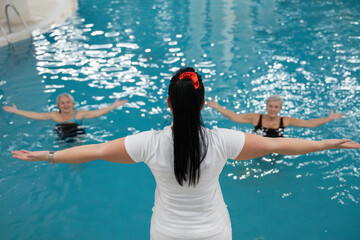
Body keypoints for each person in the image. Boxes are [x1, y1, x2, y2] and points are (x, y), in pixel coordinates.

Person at [12, 67, 359, 240]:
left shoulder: (148, 142)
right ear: (202, 102)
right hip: (213, 232)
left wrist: (46, 156)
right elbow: (277, 144)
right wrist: (328, 143)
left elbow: (97, 150)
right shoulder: (222, 140)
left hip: (166, 232)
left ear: (168, 103)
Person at [207, 95, 344, 137]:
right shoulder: (256, 118)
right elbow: (235, 117)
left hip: (277, 145)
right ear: (266, 107)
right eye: (270, 106)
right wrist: (218, 107)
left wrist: (328, 118)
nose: (272, 109)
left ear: (280, 109)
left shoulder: (286, 120)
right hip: (259, 143)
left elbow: (308, 124)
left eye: (276, 107)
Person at [3, 93, 127, 139]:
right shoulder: (54, 115)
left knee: (77, 153)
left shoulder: (79, 114)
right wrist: (16, 111)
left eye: (68, 102)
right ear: (58, 105)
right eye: (63, 103)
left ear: (73, 104)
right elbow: (36, 116)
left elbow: (97, 112)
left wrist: (113, 106)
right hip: (61, 134)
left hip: (77, 133)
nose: (66, 105)